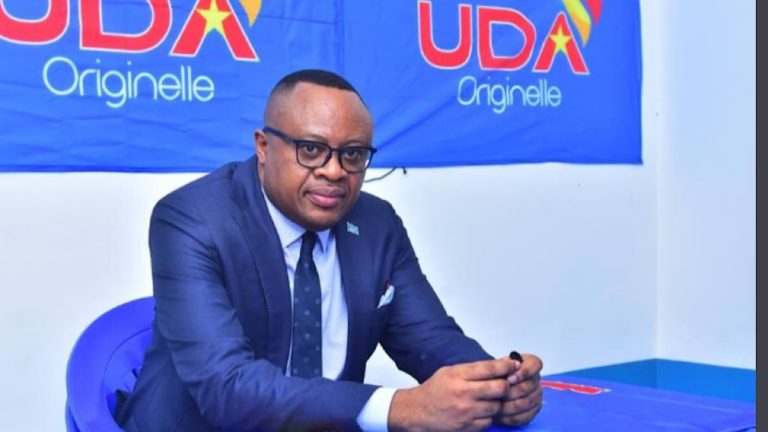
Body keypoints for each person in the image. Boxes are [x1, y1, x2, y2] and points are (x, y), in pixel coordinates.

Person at [116, 69, 543, 432]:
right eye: (311, 149)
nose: (335, 171)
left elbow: (429, 339)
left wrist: (498, 384)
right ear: (264, 147)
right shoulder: (193, 220)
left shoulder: (377, 224)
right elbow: (226, 386)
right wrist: (399, 408)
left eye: (353, 154)